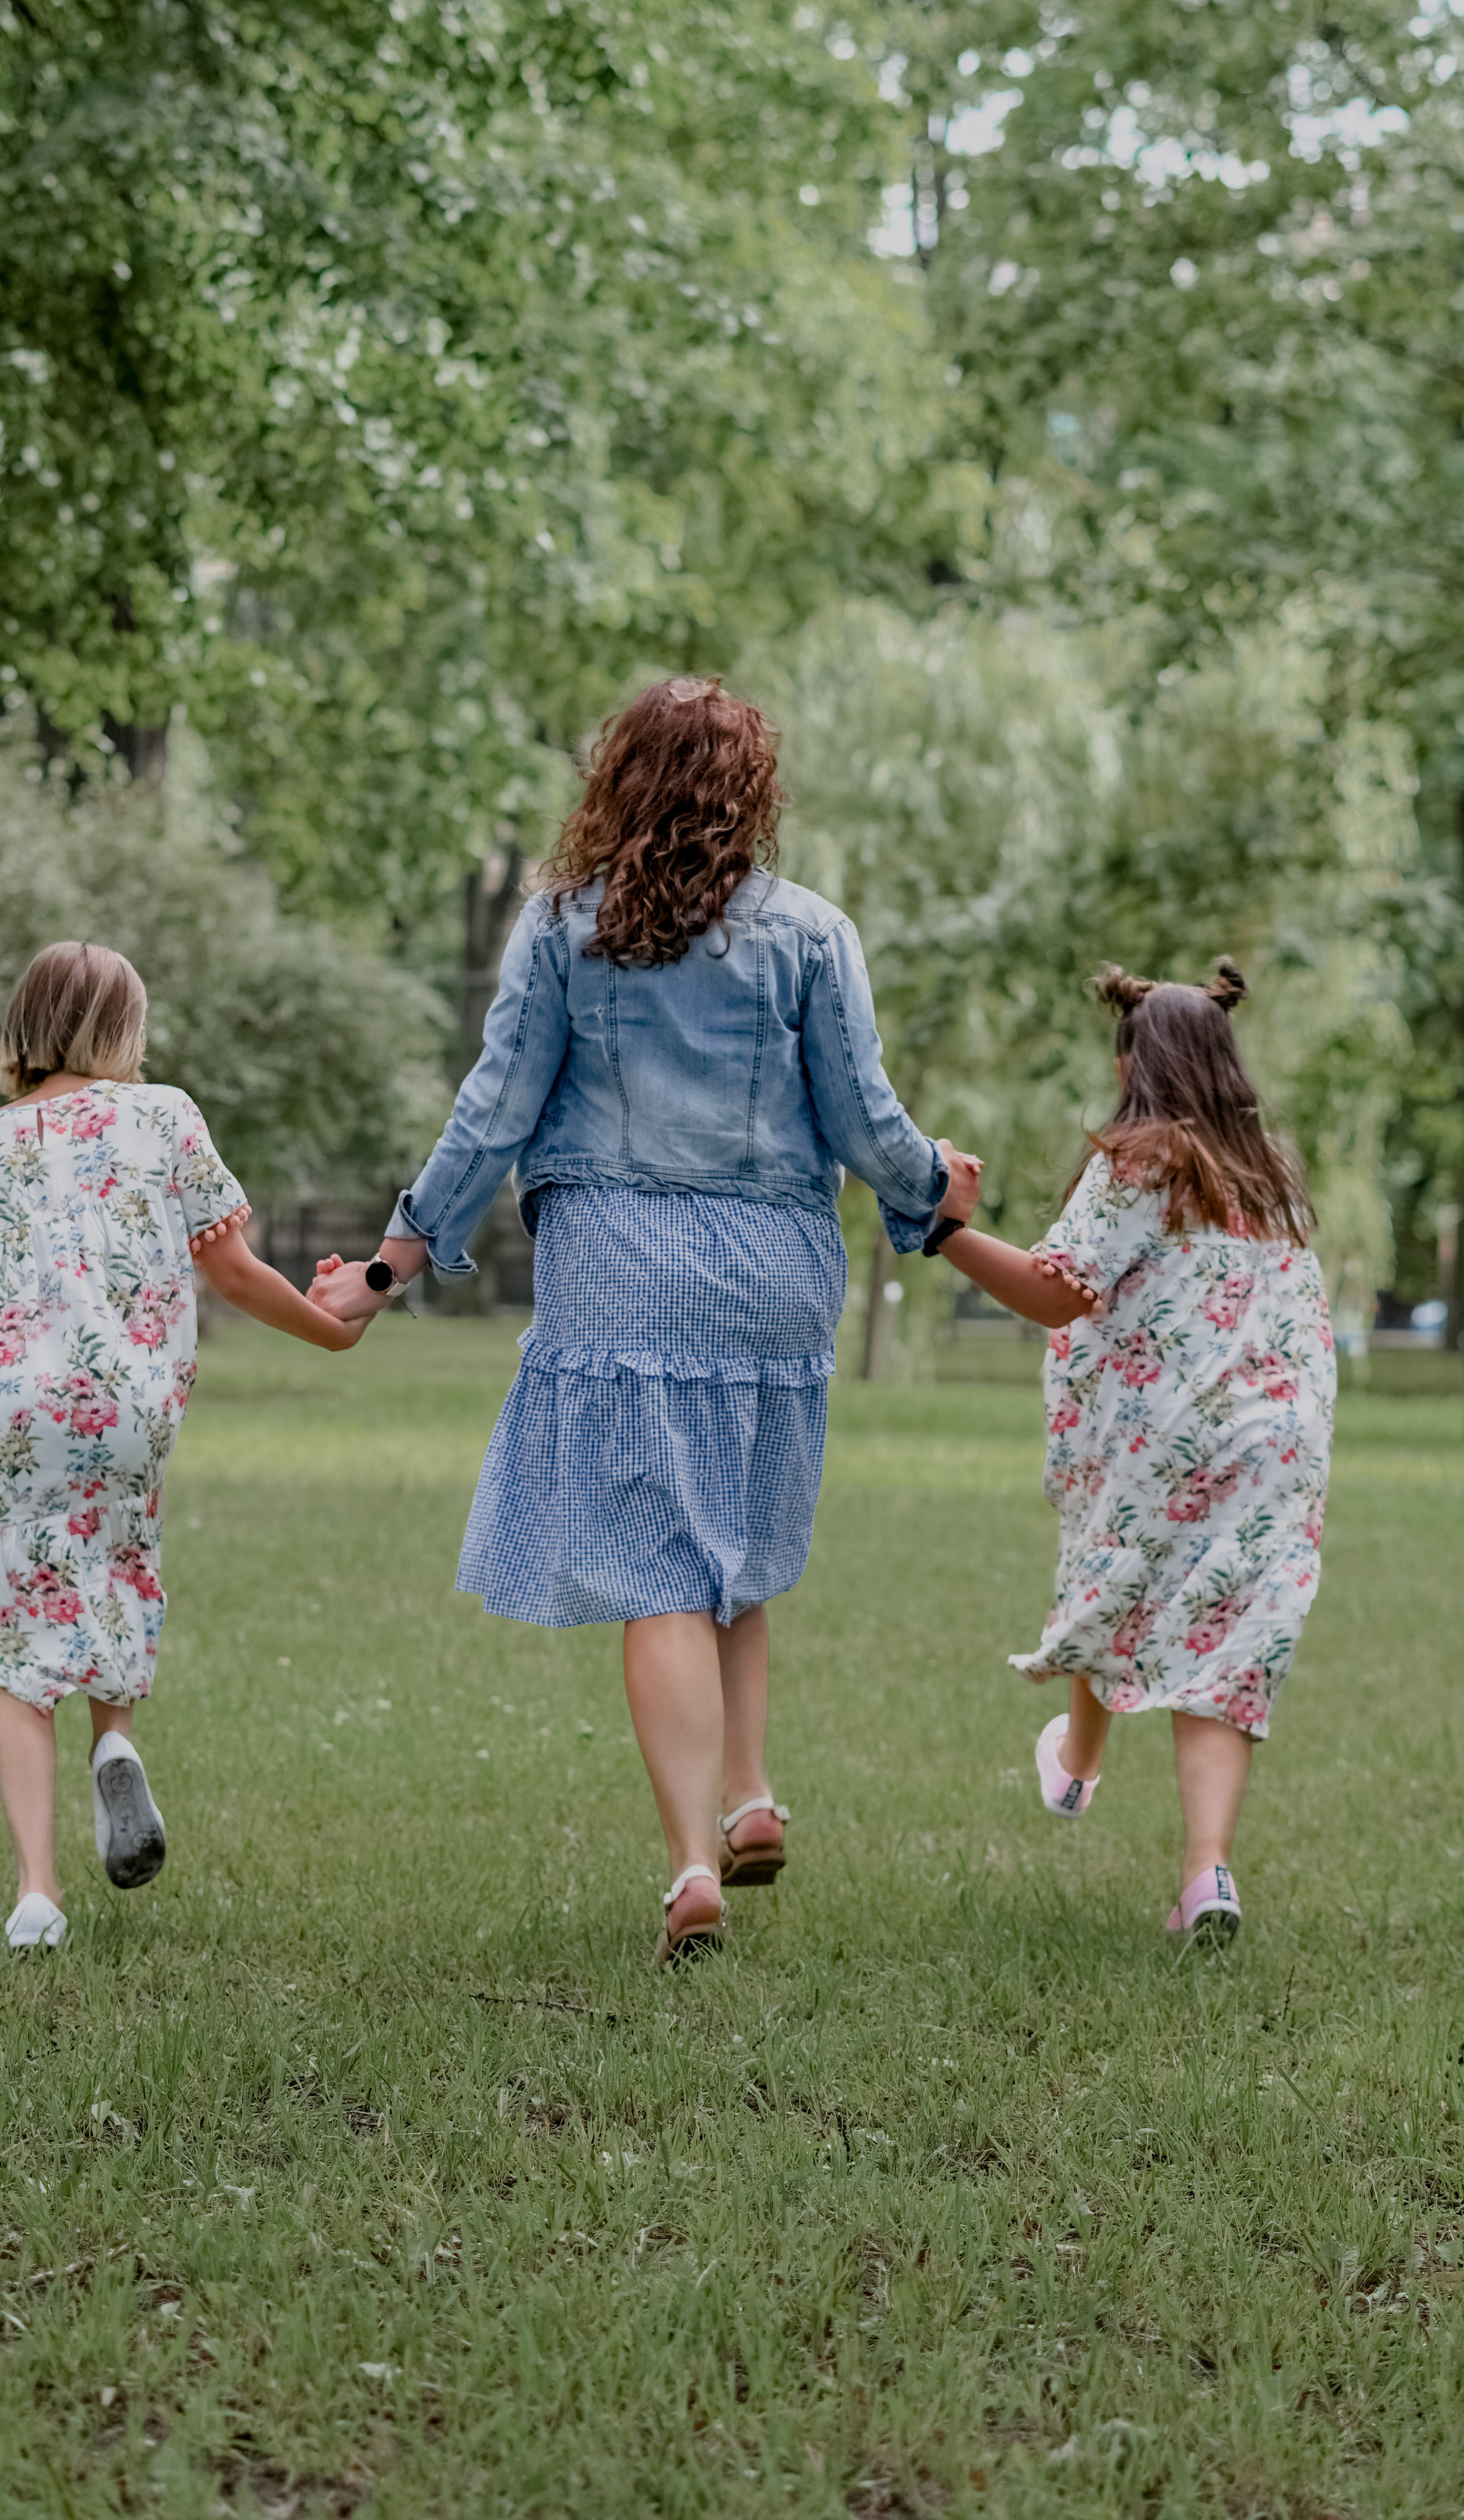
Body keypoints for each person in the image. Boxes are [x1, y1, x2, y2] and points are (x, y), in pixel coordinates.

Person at [310, 677, 980, 1964]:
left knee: (655, 1566)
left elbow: (494, 1109)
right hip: (776, 1269)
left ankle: (691, 1860)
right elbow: (862, 1117)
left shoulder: (565, 927)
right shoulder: (812, 932)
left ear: (616, 781)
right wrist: (932, 1185)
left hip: (620, 1261)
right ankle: (752, 1792)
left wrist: (388, 1269)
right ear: (754, 795)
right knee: (732, 1541)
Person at [0, 941, 363, 1951]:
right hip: (130, 1412)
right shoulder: (165, 1119)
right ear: (125, 1033)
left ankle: (38, 1891)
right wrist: (333, 1326)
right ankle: (114, 1746)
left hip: (12, 1419)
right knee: (117, 1574)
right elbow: (239, 1274)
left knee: (12, 1647)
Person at [929, 960, 1334, 1947]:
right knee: (1224, 1655)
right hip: (1278, 1445)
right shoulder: (1270, 1177)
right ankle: (1204, 1874)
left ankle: (1076, 1760)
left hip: (1174, 1437)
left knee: (1118, 1576)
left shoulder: (1143, 1159)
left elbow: (1057, 1287)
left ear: (1135, 1067)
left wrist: (943, 1233)